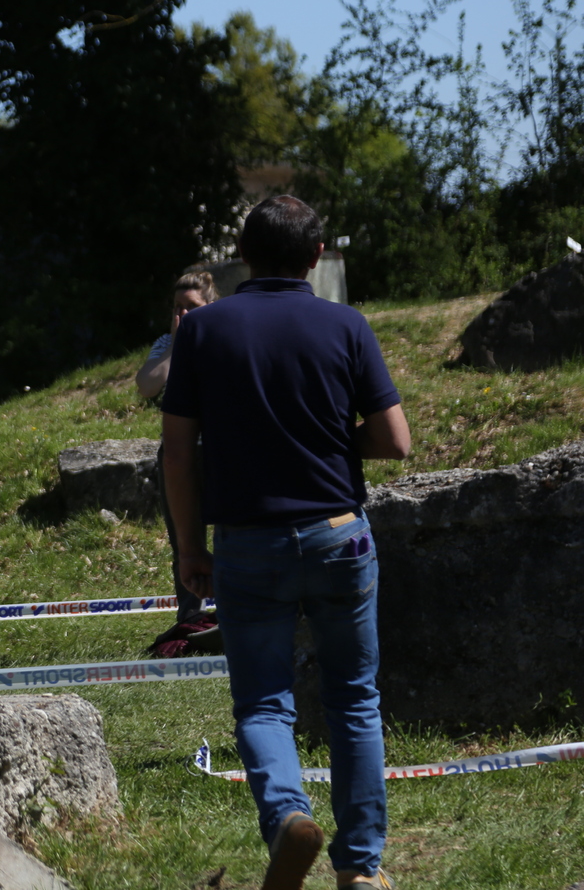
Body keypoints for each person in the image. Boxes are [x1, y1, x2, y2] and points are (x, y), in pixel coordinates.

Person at [160, 196, 410, 890]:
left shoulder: (202, 329)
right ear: (315, 256)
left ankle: (288, 818)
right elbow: (395, 440)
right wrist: (326, 445)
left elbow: (177, 454)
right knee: (353, 699)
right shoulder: (347, 324)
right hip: (339, 535)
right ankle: (360, 870)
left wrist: (190, 550)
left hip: (249, 544)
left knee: (264, 704)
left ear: (242, 256)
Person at [135, 271, 220, 655]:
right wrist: (176, 345)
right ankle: (192, 619)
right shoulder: (167, 344)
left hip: (220, 449)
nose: (183, 314)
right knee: (184, 540)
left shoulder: (223, 336)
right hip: (178, 453)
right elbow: (146, 385)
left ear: (211, 307)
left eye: (192, 307)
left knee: (231, 534)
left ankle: (232, 610)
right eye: (177, 308)